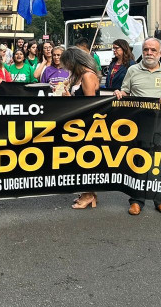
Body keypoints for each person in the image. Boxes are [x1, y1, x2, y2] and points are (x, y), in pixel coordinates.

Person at [114, 38, 161, 216]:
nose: (149, 53)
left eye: (153, 50)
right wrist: (120, 93)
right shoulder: (132, 70)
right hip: (139, 125)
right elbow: (125, 91)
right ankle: (136, 200)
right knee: (138, 162)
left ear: (160, 54)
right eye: (146, 49)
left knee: (160, 163)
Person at [59, 47, 101, 210]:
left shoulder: (88, 76)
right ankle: (88, 192)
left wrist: (70, 99)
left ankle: (89, 194)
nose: (66, 67)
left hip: (87, 125)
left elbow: (89, 104)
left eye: (67, 64)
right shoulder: (80, 76)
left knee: (87, 160)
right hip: (79, 124)